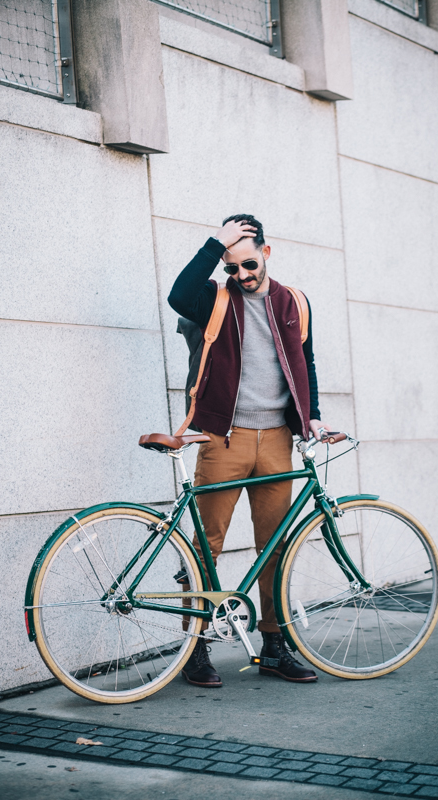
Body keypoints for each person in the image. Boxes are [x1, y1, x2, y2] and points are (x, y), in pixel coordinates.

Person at [168, 215, 333, 687]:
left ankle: (274, 646)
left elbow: (307, 361)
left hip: (277, 439)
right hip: (225, 437)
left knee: (274, 546)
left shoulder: (294, 301)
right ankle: (194, 648)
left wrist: (312, 415)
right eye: (231, 265)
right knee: (208, 544)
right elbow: (179, 294)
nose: (242, 274)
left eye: (248, 262)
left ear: (267, 250)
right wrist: (216, 243)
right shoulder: (216, 299)